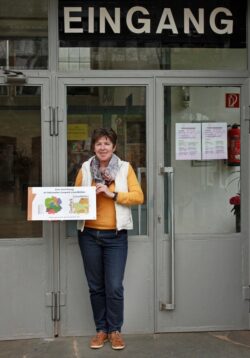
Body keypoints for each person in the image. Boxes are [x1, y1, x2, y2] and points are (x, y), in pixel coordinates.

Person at [75, 127, 144, 350]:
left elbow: (138, 197)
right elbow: (74, 198)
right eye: (98, 144)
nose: (102, 147)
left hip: (115, 236)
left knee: (114, 286)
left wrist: (111, 193)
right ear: (93, 147)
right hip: (88, 235)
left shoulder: (125, 169)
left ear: (114, 147)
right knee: (96, 286)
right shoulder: (85, 168)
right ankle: (101, 330)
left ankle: (115, 331)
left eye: (107, 143)